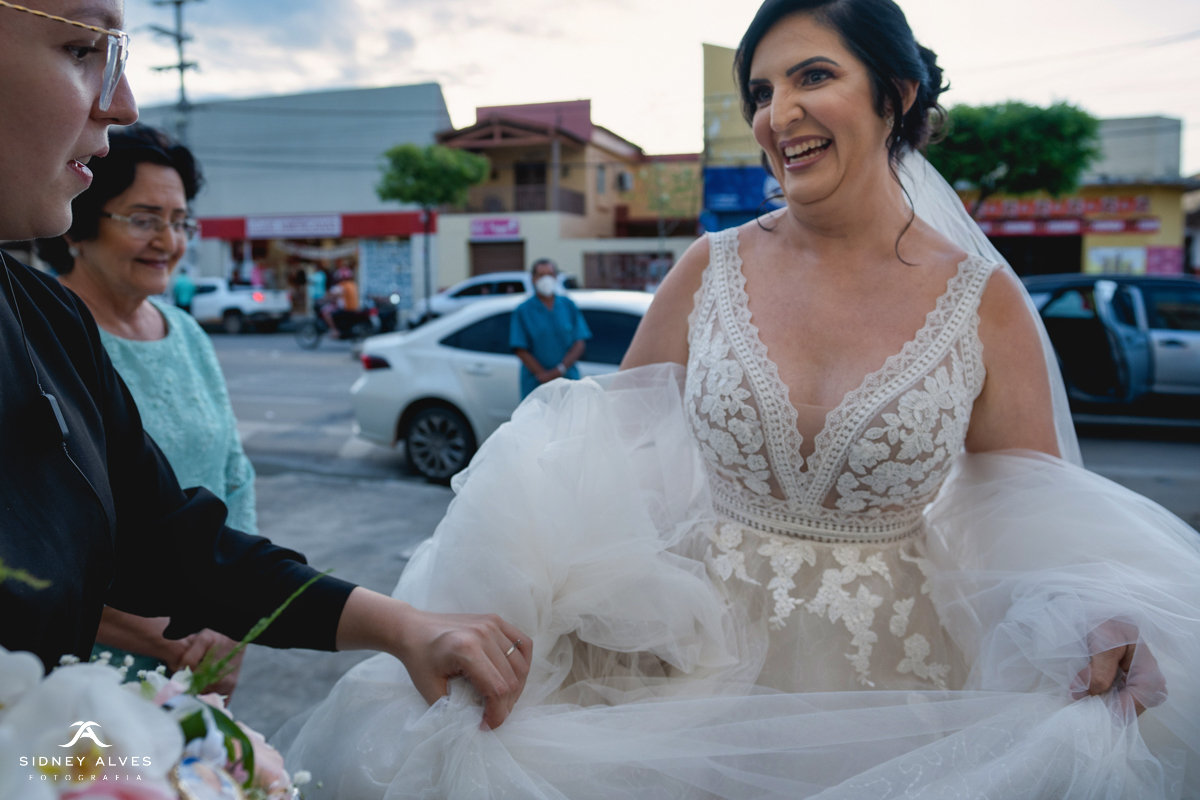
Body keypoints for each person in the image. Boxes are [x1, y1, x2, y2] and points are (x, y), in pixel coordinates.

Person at [283, 0, 1200, 796]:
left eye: (813, 76)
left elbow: (1029, 507)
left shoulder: (982, 300)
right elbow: (608, 460)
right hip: (688, 666)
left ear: (896, 94)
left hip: (893, 685)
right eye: (761, 91)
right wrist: (526, 605)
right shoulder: (707, 269)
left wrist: (1090, 616)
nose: (777, 113)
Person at [0, 0, 529, 731]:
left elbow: (174, 539)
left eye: (179, 221)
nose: (121, 104)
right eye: (81, 48)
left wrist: (404, 627)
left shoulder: (46, 322)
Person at [34, 123, 254, 692]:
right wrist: (167, 638)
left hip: (206, 652)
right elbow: (29, 538)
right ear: (79, 225)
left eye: (179, 222)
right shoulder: (36, 335)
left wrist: (233, 613)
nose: (169, 241)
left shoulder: (186, 332)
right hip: (85, 668)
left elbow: (234, 474)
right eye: (144, 219)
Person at [509, 258, 592, 398]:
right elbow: (520, 348)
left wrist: (559, 370)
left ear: (556, 277)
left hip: (567, 381)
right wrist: (543, 375)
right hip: (536, 384)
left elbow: (580, 342)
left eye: (550, 274)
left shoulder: (568, 305)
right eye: (541, 275)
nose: (546, 279)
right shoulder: (523, 310)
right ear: (533, 279)